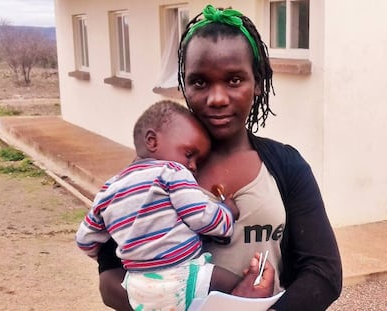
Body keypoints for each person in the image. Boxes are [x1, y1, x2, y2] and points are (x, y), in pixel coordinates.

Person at [97, 5, 342, 311]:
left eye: (234, 80)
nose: (217, 98)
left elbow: (324, 273)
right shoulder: (149, 174)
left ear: (257, 83)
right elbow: (109, 280)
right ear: (184, 85)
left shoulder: (286, 166)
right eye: (200, 82)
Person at [76, 100, 274, 311]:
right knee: (238, 291)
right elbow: (201, 218)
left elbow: (84, 240)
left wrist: (125, 248)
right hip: (183, 275)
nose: (192, 166)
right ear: (152, 141)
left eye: (197, 161)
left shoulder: (108, 189)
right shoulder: (171, 172)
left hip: (137, 287)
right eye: (189, 154)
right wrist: (227, 213)